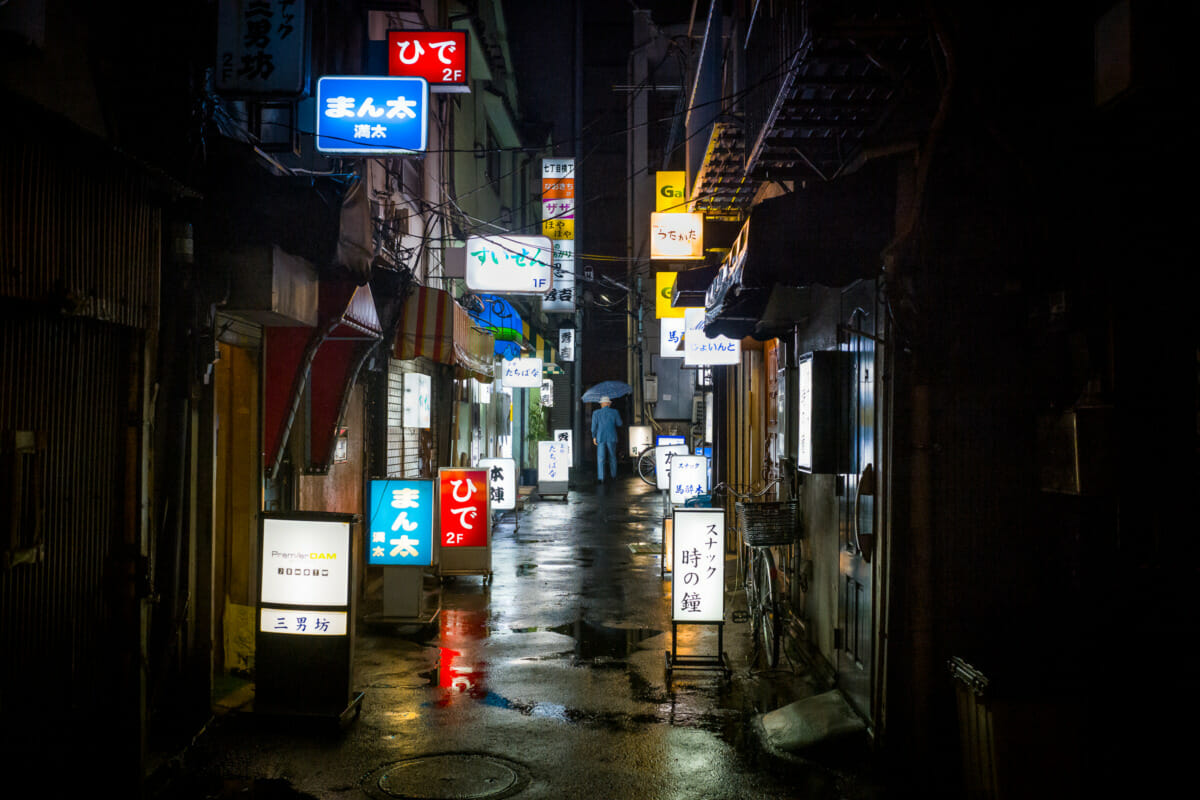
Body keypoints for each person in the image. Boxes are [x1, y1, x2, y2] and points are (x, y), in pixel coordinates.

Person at [590, 396, 622, 482]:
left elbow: (593, 427)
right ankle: (613, 476)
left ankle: (601, 478)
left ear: (602, 404)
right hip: (612, 437)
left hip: (600, 437)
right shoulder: (615, 412)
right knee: (612, 457)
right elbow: (619, 424)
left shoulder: (596, 413)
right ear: (609, 403)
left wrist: (594, 436)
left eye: (601, 403)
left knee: (601, 458)